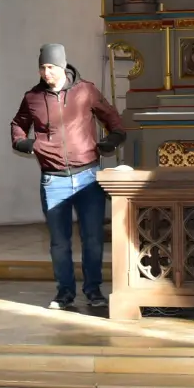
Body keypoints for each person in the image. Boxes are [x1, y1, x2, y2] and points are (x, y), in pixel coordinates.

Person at [10, 43, 126, 310]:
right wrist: (23, 142)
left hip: (87, 176)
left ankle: (94, 290)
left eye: (50, 66)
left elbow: (112, 118)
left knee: (93, 238)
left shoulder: (85, 91)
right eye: (42, 67)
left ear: (62, 66)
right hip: (53, 180)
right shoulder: (32, 98)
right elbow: (18, 124)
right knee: (59, 242)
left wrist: (113, 139)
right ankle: (64, 293)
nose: (45, 72)